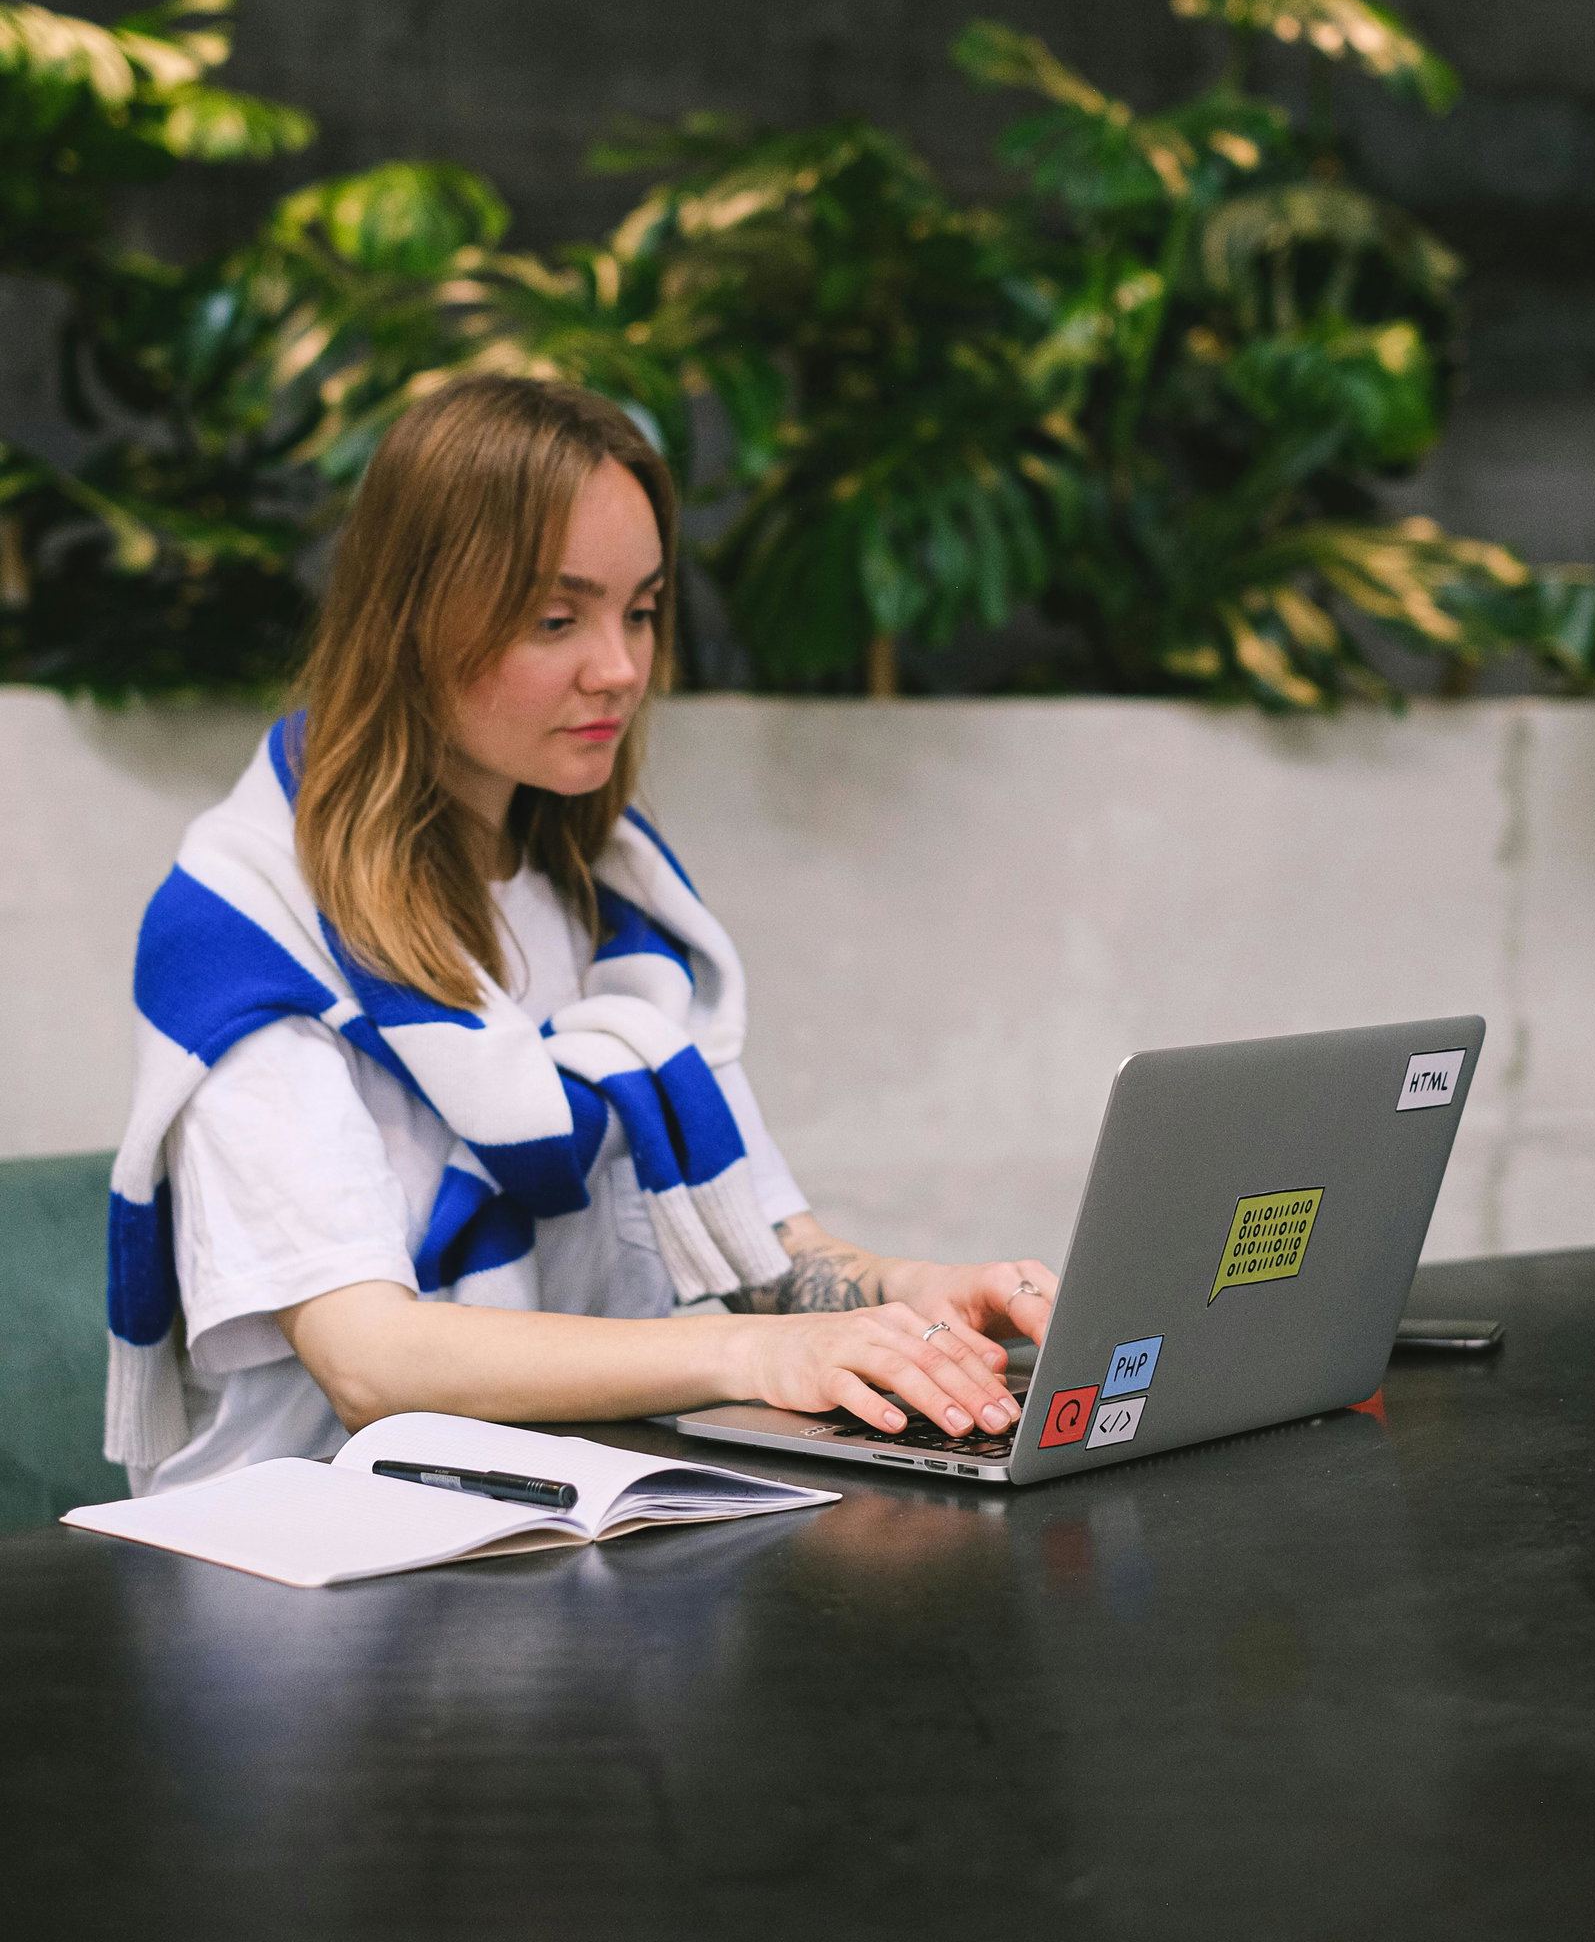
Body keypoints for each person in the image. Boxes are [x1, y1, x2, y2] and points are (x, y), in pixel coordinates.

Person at [108, 377, 1054, 1493]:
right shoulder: (241, 928)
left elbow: (764, 1253)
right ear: (411, 623)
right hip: (306, 1569)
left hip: (576, 1515)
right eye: (555, 620)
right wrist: (758, 1354)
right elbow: (372, 1362)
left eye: (640, 610)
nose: (619, 668)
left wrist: (907, 1295)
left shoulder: (618, 897)